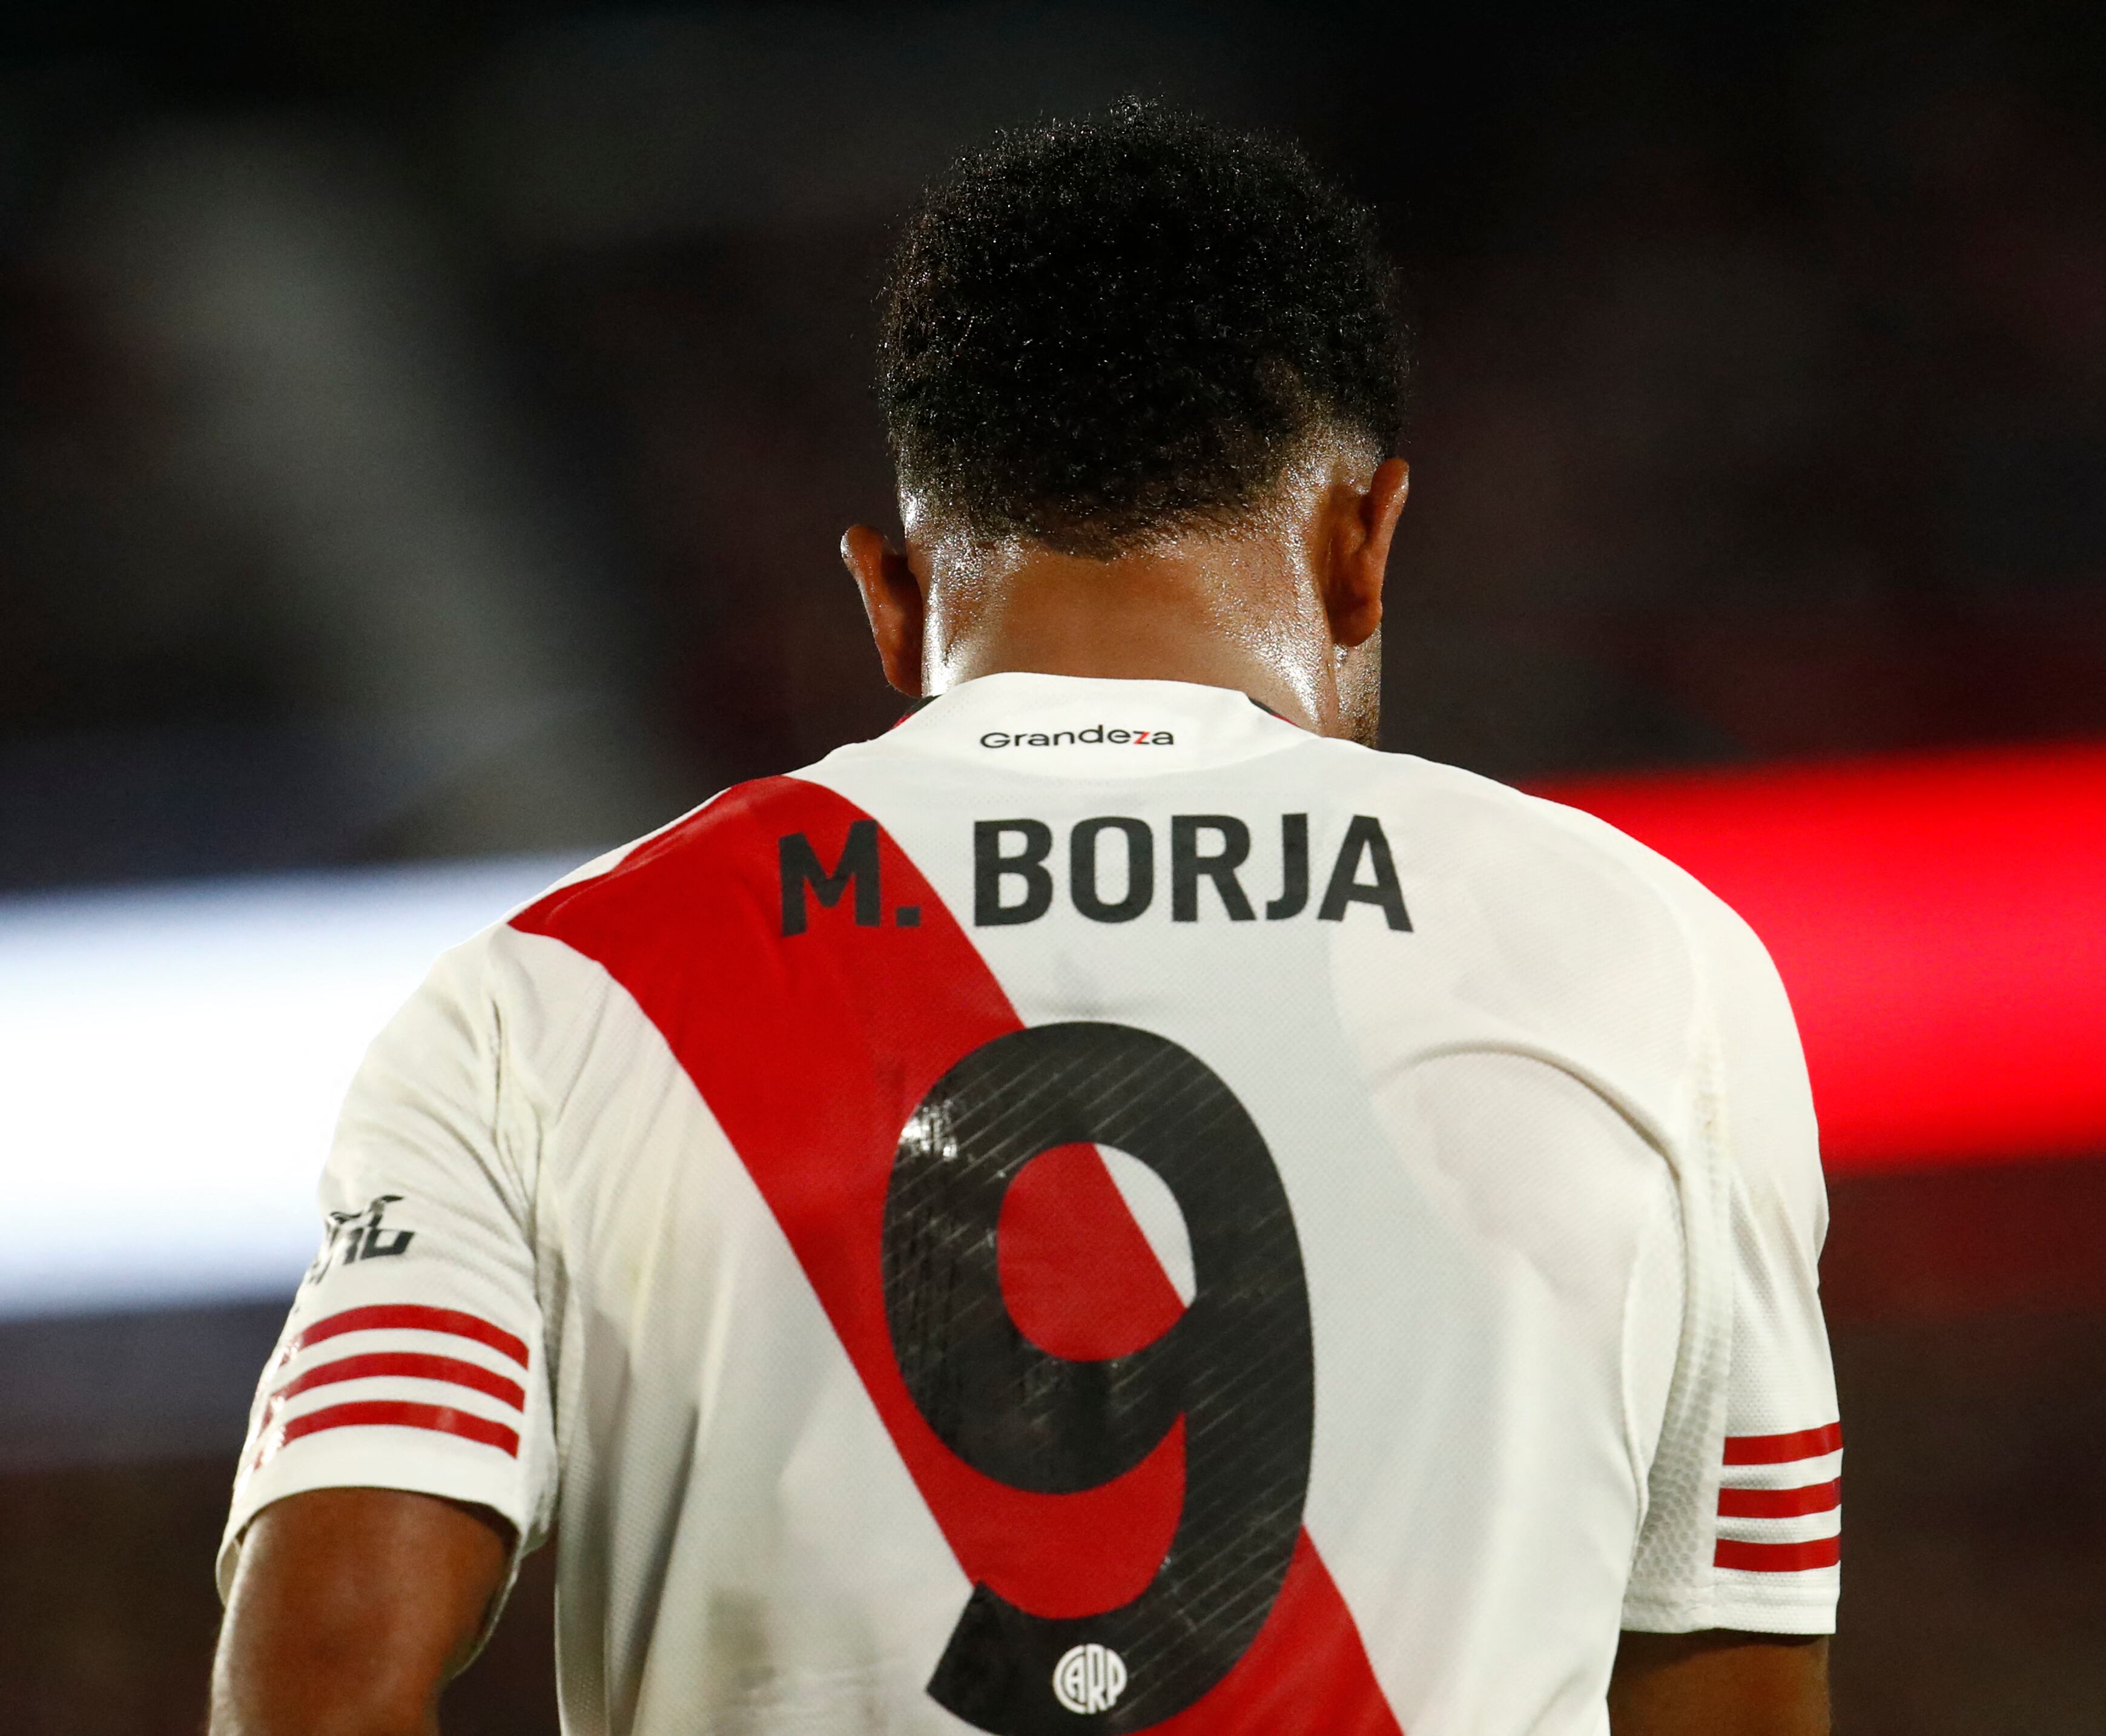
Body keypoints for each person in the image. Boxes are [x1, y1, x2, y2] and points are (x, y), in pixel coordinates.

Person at [207, 101, 1839, 1736]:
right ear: (1365, 546)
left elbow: (319, 1685)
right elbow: (1731, 1684)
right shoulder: (1641, 955)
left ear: (889, 596)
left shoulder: (552, 997)